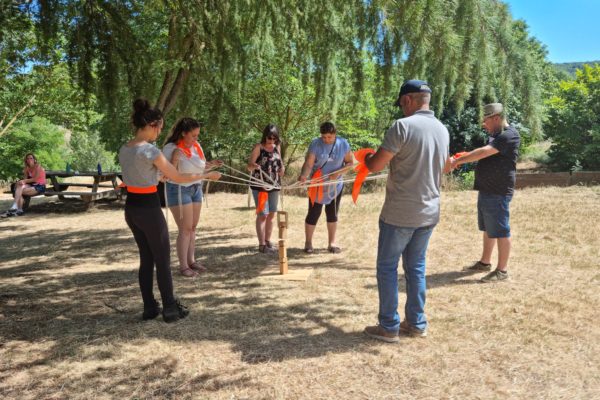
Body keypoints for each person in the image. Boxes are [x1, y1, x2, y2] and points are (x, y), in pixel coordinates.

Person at [363, 79, 450, 343]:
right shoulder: (442, 129)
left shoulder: (402, 127)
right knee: (416, 268)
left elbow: (376, 165)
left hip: (400, 212)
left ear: (409, 100)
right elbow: (446, 166)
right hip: (429, 212)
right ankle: (416, 323)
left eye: (402, 103)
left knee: (387, 267)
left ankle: (389, 326)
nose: (401, 109)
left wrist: (365, 158)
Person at [119, 98, 221, 323]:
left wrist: (158, 176)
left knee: (146, 259)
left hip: (132, 208)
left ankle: (149, 307)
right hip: (148, 208)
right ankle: (170, 308)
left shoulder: (125, 149)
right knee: (163, 259)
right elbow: (178, 177)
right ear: (152, 125)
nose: (160, 133)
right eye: (160, 128)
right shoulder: (150, 150)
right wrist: (206, 175)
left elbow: (141, 176)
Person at [450, 103, 520, 283]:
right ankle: (485, 262)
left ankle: (502, 271)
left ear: (496, 118)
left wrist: (457, 161)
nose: (483, 124)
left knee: (501, 230)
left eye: (486, 120)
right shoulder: (496, 136)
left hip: (498, 190)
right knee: (489, 228)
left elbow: (483, 152)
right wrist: (464, 156)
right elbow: (485, 153)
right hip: (488, 189)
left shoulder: (508, 135)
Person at [162, 117, 223, 277]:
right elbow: (171, 174)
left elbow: (198, 166)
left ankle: (191, 261)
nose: (196, 139)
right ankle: (183, 266)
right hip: (179, 189)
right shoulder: (170, 148)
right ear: (183, 133)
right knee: (185, 228)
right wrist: (208, 175)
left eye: (197, 135)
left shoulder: (196, 146)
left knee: (193, 227)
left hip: (196, 187)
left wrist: (211, 165)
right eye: (193, 135)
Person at [297, 122, 353, 253]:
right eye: (324, 137)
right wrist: (304, 176)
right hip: (317, 185)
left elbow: (350, 163)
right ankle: (308, 243)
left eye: (330, 137)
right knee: (313, 213)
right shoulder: (315, 144)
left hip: (335, 186)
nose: (327, 140)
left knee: (332, 213)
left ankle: (332, 243)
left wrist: (337, 173)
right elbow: (309, 164)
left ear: (335, 135)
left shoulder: (343, 143)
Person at [247, 124, 285, 253]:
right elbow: (249, 167)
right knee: (263, 214)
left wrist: (282, 169)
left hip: (274, 185)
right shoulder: (259, 147)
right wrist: (254, 165)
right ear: (265, 136)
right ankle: (261, 244)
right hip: (260, 185)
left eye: (274, 139)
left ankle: (268, 241)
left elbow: (280, 163)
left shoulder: (277, 147)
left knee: (272, 214)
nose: (272, 141)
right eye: (269, 138)